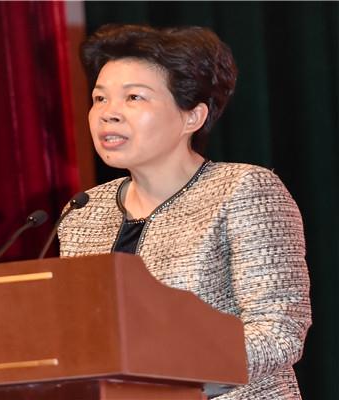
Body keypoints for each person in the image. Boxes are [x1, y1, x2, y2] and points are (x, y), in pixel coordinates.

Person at [58, 24, 311, 399]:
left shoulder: (241, 189)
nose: (108, 114)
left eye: (133, 97)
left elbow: (279, 331)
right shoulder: (83, 212)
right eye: (99, 98)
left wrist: (163, 379)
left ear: (192, 117)